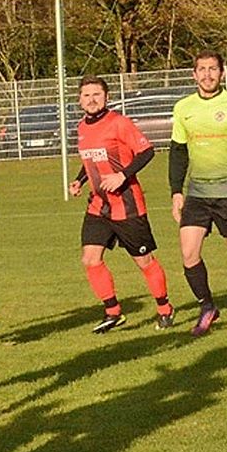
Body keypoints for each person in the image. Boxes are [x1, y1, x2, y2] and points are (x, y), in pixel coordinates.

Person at [69, 75, 174, 333]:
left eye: (96, 94)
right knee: (90, 259)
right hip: (98, 206)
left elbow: (147, 151)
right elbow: (90, 161)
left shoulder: (119, 123)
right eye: (86, 95)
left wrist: (122, 176)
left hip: (127, 206)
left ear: (106, 97)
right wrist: (79, 181)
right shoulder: (82, 127)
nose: (91, 99)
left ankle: (165, 308)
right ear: (80, 100)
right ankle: (113, 312)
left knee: (144, 261)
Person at [169, 50, 227, 335]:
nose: (207, 74)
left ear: (222, 73)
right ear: (194, 74)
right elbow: (178, 152)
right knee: (188, 253)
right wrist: (176, 191)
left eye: (213, 69)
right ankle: (208, 307)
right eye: (202, 69)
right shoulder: (183, 107)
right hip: (197, 192)